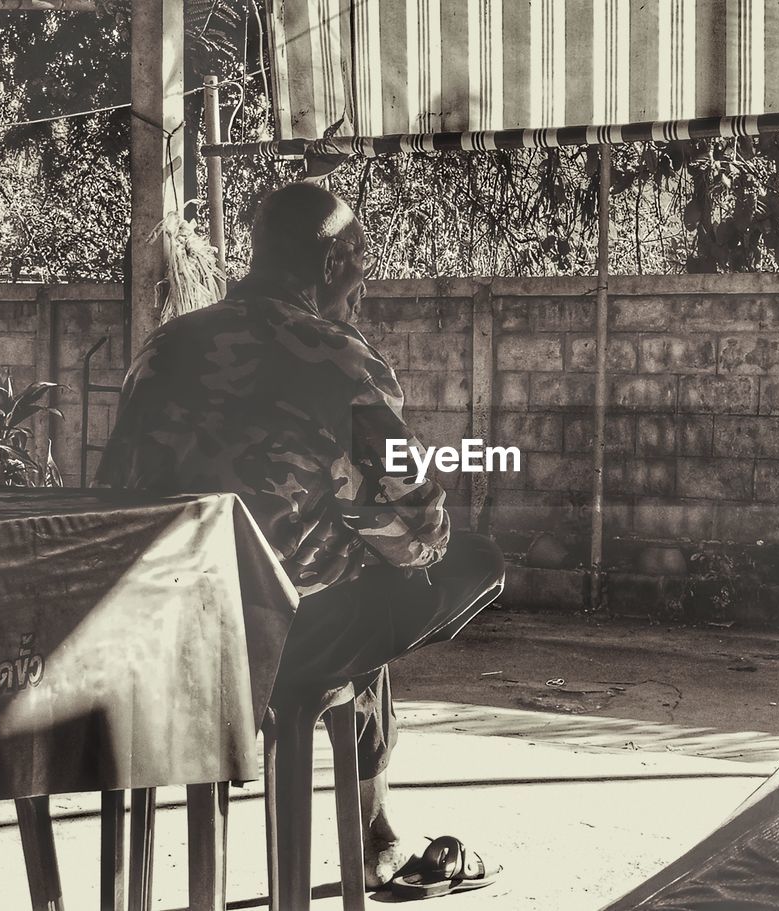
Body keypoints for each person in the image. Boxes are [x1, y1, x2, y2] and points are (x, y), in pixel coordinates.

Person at [96, 182, 504, 896]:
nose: (365, 283)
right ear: (328, 265)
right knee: (447, 564)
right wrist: (383, 533)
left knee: (358, 566)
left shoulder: (162, 348)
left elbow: (110, 499)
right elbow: (421, 527)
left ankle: (377, 831)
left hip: (158, 630)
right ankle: (377, 837)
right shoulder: (341, 356)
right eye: (361, 264)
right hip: (284, 638)